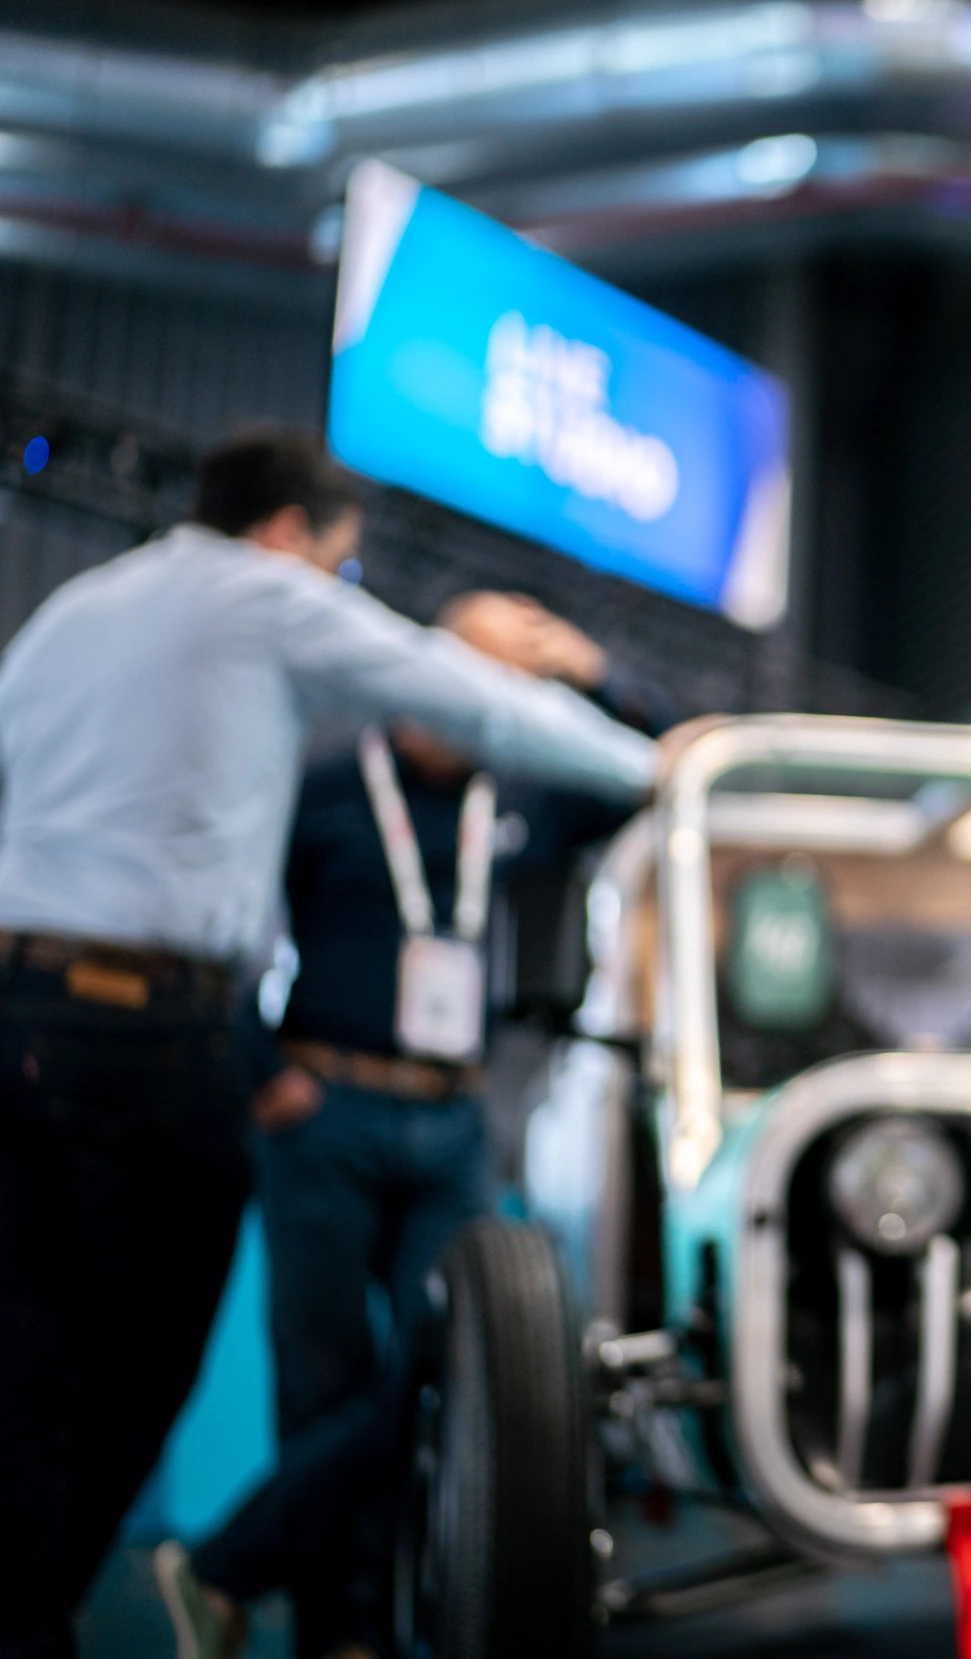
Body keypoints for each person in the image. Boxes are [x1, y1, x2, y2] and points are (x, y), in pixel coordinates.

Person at [0, 429, 657, 1659]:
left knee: (30, 1361)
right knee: (140, 1370)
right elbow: (463, 690)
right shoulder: (264, 597)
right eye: (343, 568)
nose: (336, 594)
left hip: (22, 1015)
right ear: (296, 535)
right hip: (165, 1039)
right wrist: (666, 761)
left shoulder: (71, 615)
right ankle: (194, 1591)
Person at [156, 591, 677, 1659]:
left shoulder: (523, 788)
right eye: (471, 674)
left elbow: (660, 766)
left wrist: (593, 666)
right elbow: (221, 915)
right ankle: (336, 1634)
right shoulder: (327, 783)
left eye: (510, 684)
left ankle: (229, 1565)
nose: (486, 700)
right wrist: (266, 1078)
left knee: (452, 1371)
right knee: (323, 1381)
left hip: (450, 1125)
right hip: (324, 1110)